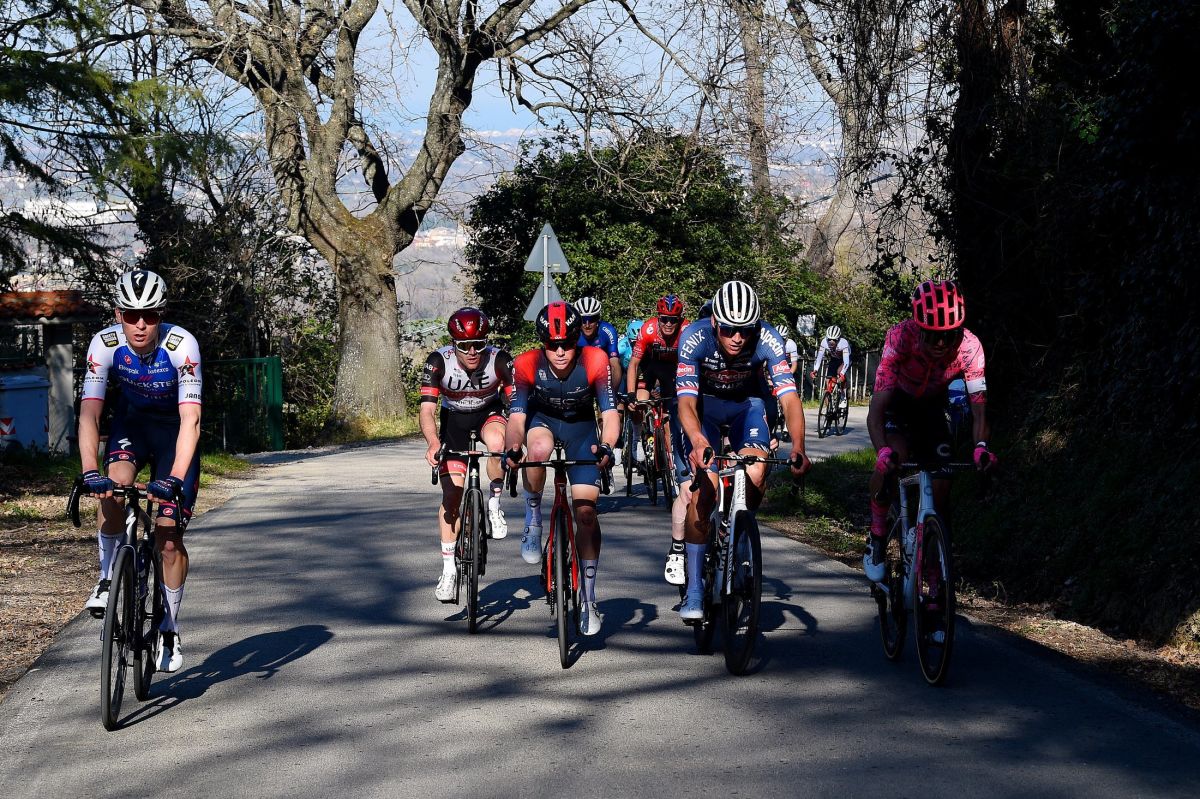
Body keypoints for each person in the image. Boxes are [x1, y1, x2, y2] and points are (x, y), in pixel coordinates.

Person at [78, 269, 201, 673]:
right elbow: (90, 414)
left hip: (174, 434)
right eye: (131, 315)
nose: (141, 324)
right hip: (131, 426)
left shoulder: (182, 346)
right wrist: (90, 471)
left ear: (161, 315)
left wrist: (175, 479)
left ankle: (169, 626)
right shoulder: (105, 344)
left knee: (168, 538)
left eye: (149, 315)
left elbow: (191, 421)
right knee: (112, 488)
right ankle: (106, 578)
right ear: (119, 315)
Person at [675, 280, 811, 620]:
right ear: (715, 323)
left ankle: (737, 531)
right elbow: (686, 403)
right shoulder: (694, 337)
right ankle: (694, 588)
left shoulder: (768, 339)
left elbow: (789, 398)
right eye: (729, 330)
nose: (738, 337)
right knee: (704, 490)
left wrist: (799, 445)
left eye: (746, 330)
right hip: (704, 409)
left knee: (757, 469)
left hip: (746, 406)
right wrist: (698, 440)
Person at [864, 280, 996, 582]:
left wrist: (981, 447)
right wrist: (882, 451)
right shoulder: (900, 337)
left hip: (932, 410)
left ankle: (933, 562)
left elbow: (979, 410)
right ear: (918, 327)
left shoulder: (970, 347)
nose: (940, 343)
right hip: (897, 404)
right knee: (895, 459)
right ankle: (877, 534)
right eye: (933, 335)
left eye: (948, 335)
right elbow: (877, 411)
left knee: (942, 484)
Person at [505, 302, 619, 636]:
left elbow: (610, 414)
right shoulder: (526, 363)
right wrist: (513, 447)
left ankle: (589, 598)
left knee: (586, 514)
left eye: (567, 344)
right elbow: (517, 418)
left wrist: (608, 446)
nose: (559, 352)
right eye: (551, 344)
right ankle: (533, 516)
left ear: (576, 340)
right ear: (542, 342)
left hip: (581, 430)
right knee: (537, 450)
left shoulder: (595, 360)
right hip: (542, 422)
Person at [420, 307, 515, 602]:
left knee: (498, 442)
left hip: (489, 414)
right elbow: (427, 410)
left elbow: (516, 405)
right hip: (454, 423)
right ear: (454, 344)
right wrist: (433, 443)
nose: (472, 352)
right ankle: (449, 569)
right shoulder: (438, 361)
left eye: (478, 344)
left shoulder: (499, 359)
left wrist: (517, 441)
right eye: (464, 346)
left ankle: (494, 504)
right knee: (452, 496)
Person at [624, 294, 690, 584]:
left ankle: (669, 448)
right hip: (651, 368)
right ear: (658, 317)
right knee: (639, 402)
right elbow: (634, 363)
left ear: (679, 320)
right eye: (664, 319)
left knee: (677, 411)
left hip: (676, 371)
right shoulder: (649, 330)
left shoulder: (687, 331)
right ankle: (641, 439)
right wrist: (630, 396)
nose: (668, 324)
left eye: (673, 320)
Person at [574, 296, 622, 396]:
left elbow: (614, 365)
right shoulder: (573, 332)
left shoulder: (607, 331)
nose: (587, 325)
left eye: (591, 319)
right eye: (583, 320)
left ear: (598, 319)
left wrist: (611, 395)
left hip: (602, 372)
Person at [810, 325, 851, 403]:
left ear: (838, 339)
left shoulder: (843, 343)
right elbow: (819, 358)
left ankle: (843, 396)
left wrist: (842, 374)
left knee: (839, 372)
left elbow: (846, 362)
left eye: (834, 340)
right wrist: (815, 370)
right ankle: (829, 405)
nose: (831, 342)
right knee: (828, 380)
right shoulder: (824, 342)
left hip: (845, 359)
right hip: (834, 358)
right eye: (829, 339)